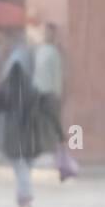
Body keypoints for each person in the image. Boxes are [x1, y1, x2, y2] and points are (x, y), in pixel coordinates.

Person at [0, 29, 39, 207]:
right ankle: (23, 204)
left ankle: (26, 204)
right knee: (23, 167)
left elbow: (2, 103)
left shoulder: (11, 82)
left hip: (16, 130)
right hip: (27, 130)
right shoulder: (29, 83)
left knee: (20, 167)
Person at [32, 21, 65, 156]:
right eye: (45, 32)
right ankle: (42, 149)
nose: (47, 35)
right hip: (37, 91)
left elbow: (57, 74)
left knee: (53, 122)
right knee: (39, 122)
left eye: (50, 32)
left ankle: (56, 151)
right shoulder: (39, 50)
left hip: (50, 92)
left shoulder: (54, 52)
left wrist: (57, 93)